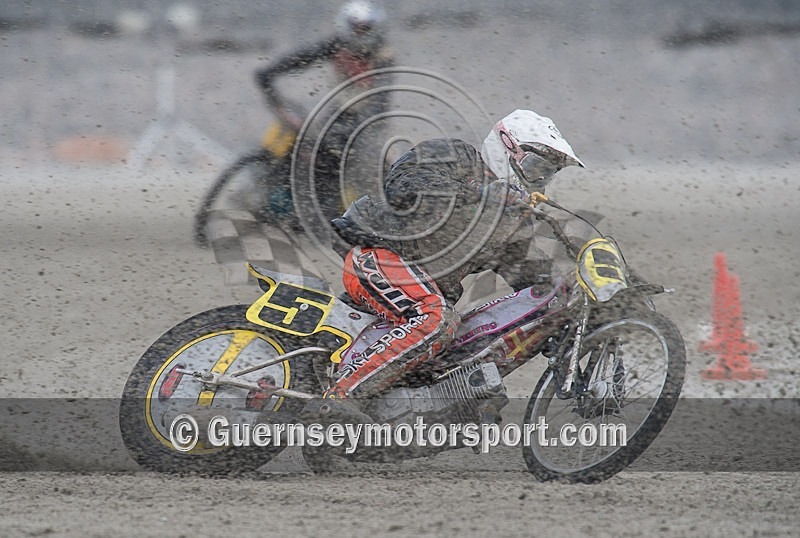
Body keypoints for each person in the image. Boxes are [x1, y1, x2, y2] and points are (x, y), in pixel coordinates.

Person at [308, 109, 585, 418]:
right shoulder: (458, 156)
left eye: (547, 173)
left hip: (415, 289)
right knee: (436, 318)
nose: (539, 180)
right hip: (377, 255)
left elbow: (535, 282)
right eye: (535, 168)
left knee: (449, 352)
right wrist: (479, 194)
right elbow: (403, 184)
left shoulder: (509, 222)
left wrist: (576, 302)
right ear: (506, 146)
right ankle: (340, 397)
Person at [254, 0, 395, 221]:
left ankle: (334, 219)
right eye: (356, 28)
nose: (360, 34)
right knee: (301, 146)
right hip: (338, 114)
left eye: (365, 29)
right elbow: (303, 57)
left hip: (368, 123)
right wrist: (271, 71)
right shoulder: (338, 44)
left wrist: (360, 125)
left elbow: (381, 98)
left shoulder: (383, 56)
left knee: (342, 168)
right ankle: (277, 197)